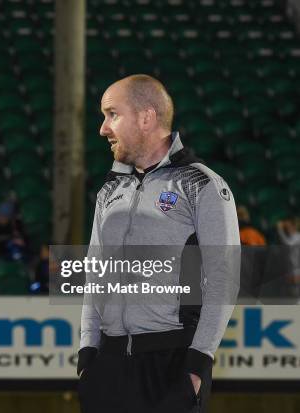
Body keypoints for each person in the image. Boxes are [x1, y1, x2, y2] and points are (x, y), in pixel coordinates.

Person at [78, 75, 240, 413]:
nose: (103, 129)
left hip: (171, 366)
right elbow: (95, 275)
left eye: (112, 114)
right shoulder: (109, 190)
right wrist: (87, 354)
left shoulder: (202, 185)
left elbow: (224, 281)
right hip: (107, 367)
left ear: (146, 117)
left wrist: (197, 364)